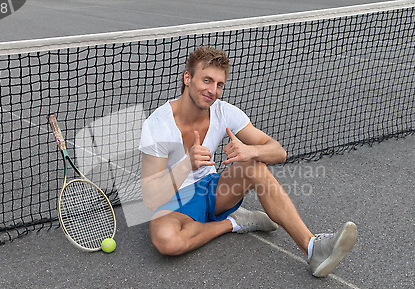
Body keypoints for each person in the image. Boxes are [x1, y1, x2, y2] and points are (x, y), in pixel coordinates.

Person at [138, 46, 356, 277]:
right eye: (207, 80)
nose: (213, 91)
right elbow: (152, 197)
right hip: (175, 199)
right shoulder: (157, 125)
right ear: (188, 77)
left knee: (255, 166)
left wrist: (249, 150)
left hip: (212, 190)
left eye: (219, 84)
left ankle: (312, 247)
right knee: (166, 242)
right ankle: (233, 222)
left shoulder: (224, 113)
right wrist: (186, 165)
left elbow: (278, 152)